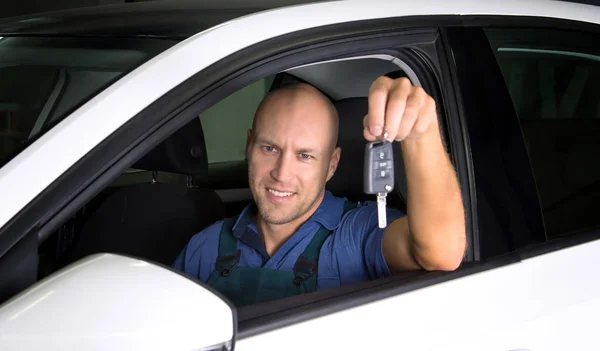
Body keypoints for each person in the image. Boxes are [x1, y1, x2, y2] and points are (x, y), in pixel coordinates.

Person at [173, 76, 466, 306]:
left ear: (332, 165)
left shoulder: (357, 233)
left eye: (305, 156)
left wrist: (421, 134)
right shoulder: (205, 247)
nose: (281, 173)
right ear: (249, 146)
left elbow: (439, 254)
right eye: (270, 148)